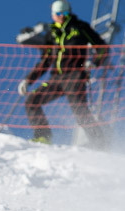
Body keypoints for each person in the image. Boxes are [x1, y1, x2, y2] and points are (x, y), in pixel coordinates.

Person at [18, 0, 109, 146]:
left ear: (69, 12)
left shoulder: (80, 27)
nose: (61, 16)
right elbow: (46, 61)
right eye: (58, 13)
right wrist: (28, 80)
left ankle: (100, 143)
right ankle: (43, 137)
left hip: (75, 76)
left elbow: (102, 47)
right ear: (53, 15)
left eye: (64, 13)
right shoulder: (51, 34)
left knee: (80, 112)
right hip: (56, 78)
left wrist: (94, 62)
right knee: (32, 101)